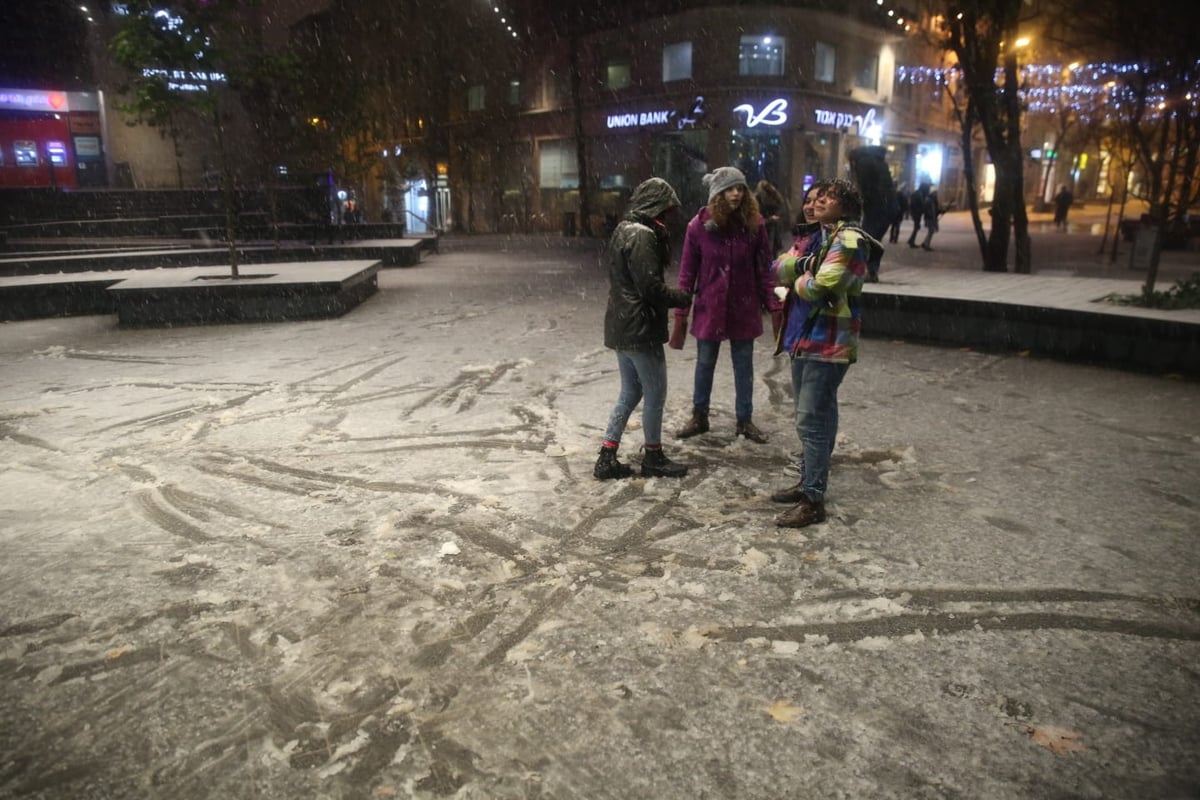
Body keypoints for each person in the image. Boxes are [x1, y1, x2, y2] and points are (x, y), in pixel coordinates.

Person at [770, 178, 879, 528]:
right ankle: (809, 482)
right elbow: (777, 268)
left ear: (844, 206)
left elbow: (823, 286)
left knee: (810, 419)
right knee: (819, 415)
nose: (816, 204)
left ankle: (813, 498)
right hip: (807, 337)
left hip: (827, 340)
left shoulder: (847, 238)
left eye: (826, 200)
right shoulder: (818, 236)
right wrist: (803, 269)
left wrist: (798, 280)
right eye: (814, 198)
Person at [670, 167, 783, 444]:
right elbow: (687, 273)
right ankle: (699, 416)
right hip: (710, 307)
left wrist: (774, 304)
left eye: (740, 188)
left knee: (743, 366)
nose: (736, 193)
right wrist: (681, 314)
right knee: (705, 363)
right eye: (730, 189)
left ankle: (744, 420)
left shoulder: (755, 224)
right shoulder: (698, 227)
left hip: (744, 308)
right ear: (717, 194)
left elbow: (765, 270)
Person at [595, 177, 695, 480]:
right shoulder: (643, 235)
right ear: (657, 207)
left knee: (630, 391)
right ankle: (653, 455)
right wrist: (683, 296)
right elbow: (650, 288)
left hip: (621, 324)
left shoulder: (624, 229)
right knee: (655, 393)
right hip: (639, 327)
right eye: (668, 210)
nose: (670, 217)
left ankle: (607, 455)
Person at [847, 146, 896, 282]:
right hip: (889, 205)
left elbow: (866, 186)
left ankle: (859, 270)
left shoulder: (863, 163)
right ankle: (871, 270)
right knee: (873, 240)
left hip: (877, 205)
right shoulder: (879, 161)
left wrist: (865, 200)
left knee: (865, 240)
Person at [755, 179, 789, 256]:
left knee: (771, 254)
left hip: (772, 232)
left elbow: (781, 209)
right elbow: (756, 221)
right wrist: (771, 219)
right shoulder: (757, 199)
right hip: (763, 233)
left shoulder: (774, 197)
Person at [919, 184, 942, 251]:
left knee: (931, 231)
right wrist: (931, 215)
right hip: (929, 218)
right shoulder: (928, 200)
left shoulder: (933, 200)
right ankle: (926, 245)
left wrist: (939, 211)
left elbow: (935, 210)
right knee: (931, 231)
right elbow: (927, 210)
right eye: (935, 193)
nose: (936, 194)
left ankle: (925, 243)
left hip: (932, 218)